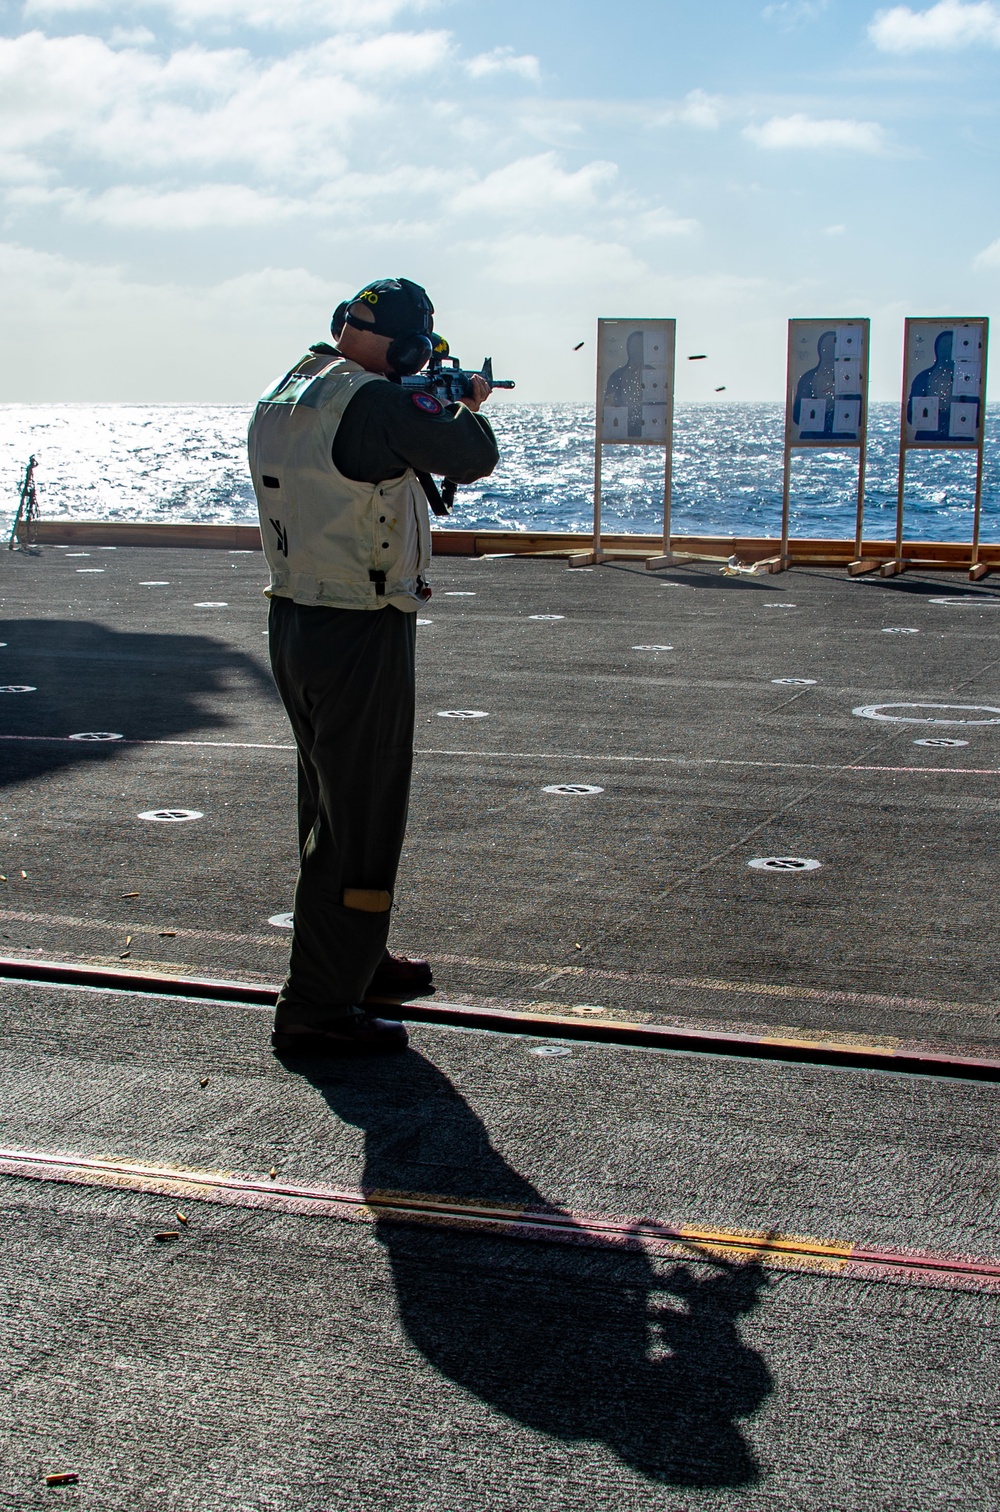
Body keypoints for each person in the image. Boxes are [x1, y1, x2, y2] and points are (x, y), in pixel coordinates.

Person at [247, 277, 499, 1055]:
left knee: (328, 805)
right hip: (360, 626)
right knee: (361, 819)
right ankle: (319, 1010)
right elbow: (473, 453)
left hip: (295, 616)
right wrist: (460, 402)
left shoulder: (291, 389)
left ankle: (354, 960)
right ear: (413, 345)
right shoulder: (379, 403)